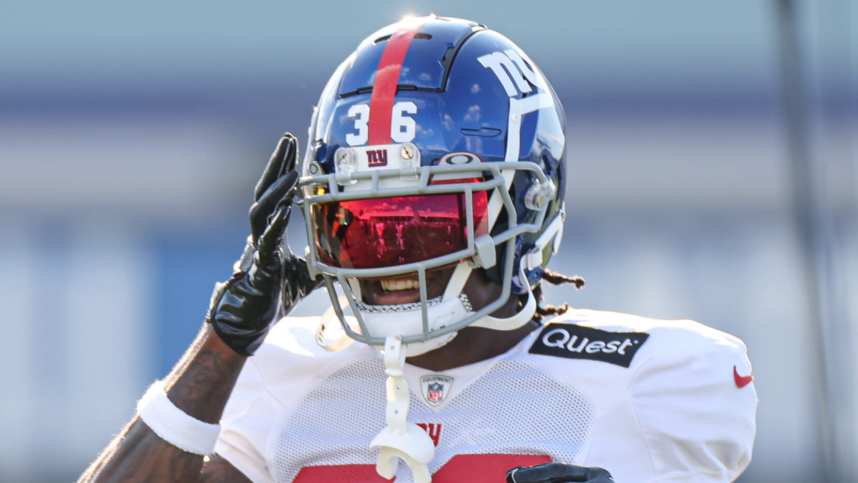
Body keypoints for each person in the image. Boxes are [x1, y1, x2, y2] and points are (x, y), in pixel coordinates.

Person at [80, 15, 757, 483]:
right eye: (360, 225)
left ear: (521, 209)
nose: (393, 258)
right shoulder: (282, 373)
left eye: (423, 219)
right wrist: (224, 343)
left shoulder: (649, 379)